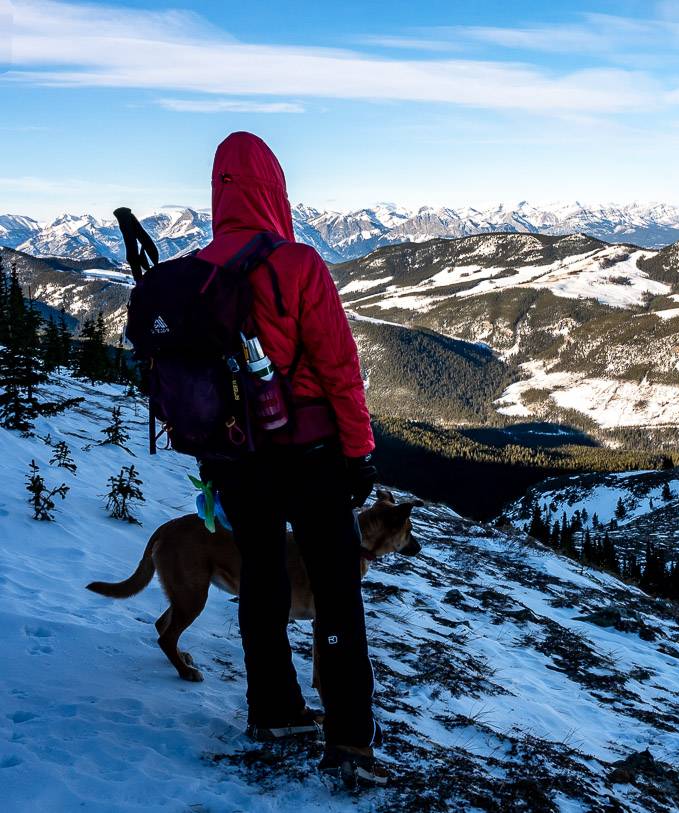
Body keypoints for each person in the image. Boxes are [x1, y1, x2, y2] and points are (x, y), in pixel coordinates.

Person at [197, 132, 383, 784]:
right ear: (274, 187)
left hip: (237, 459)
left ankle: (273, 709)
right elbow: (340, 367)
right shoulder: (299, 264)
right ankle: (349, 738)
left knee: (264, 578)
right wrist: (360, 452)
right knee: (335, 590)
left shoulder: (199, 272)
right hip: (310, 456)